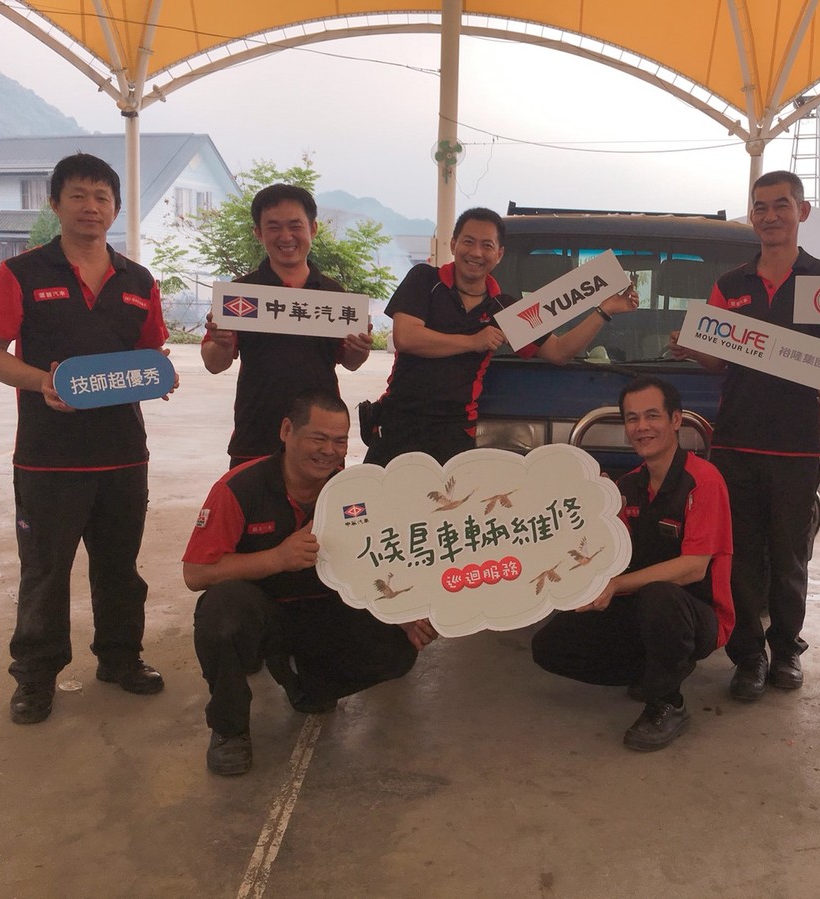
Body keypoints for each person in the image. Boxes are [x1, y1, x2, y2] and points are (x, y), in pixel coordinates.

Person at [0, 152, 173, 724]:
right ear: (55, 204)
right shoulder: (21, 274)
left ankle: (120, 657)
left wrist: (157, 375)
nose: (91, 206)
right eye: (78, 195)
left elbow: (150, 350)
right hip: (48, 457)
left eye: (102, 197)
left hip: (123, 454)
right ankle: (35, 677)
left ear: (116, 208)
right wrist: (43, 382)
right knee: (45, 571)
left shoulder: (138, 281)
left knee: (120, 567)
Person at [671, 170, 820, 701]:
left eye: (780, 205)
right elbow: (717, 362)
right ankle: (748, 656)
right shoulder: (730, 284)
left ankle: (787, 650)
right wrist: (693, 348)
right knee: (741, 558)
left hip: (797, 445)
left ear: (802, 211)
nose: (770, 216)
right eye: (760, 207)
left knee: (791, 558)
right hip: (735, 442)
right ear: (751, 215)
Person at [184, 390, 422, 776]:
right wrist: (276, 558)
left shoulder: (353, 494)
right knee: (222, 611)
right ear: (286, 431)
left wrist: (404, 614)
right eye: (318, 438)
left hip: (325, 612)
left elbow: (381, 565)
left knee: (398, 648)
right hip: (264, 613)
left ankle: (305, 681)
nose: (329, 451)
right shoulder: (239, 488)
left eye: (340, 441)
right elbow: (195, 573)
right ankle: (229, 729)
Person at [531, 376, 734, 751]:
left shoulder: (704, 480)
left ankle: (667, 703)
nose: (642, 427)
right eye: (632, 418)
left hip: (695, 613)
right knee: (550, 646)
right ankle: (654, 671)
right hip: (641, 607)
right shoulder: (626, 487)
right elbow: (606, 558)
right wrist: (589, 510)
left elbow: (694, 567)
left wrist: (617, 586)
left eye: (652, 416)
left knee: (660, 597)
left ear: (676, 420)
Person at [364, 206, 638, 467]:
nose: (476, 253)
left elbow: (559, 352)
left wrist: (604, 310)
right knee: (373, 499)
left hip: (454, 431)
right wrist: (474, 341)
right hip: (397, 421)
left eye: (487, 245)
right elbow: (406, 337)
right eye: (468, 242)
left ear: (499, 254)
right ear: (453, 244)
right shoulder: (425, 279)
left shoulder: (504, 309)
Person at [202, 184, 373, 467]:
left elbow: (351, 362)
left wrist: (360, 350)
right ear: (258, 233)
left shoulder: (335, 296)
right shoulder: (240, 293)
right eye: (273, 227)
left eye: (295, 226)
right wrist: (221, 343)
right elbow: (213, 363)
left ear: (313, 229)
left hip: (321, 439)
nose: (286, 237)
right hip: (255, 434)